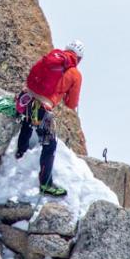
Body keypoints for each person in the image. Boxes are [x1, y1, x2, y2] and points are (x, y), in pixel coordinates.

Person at [15, 40, 84, 197]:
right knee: (50, 145)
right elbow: (71, 103)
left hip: (26, 98)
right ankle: (46, 184)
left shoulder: (52, 57)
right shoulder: (75, 74)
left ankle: (20, 154)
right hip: (42, 109)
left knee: (26, 124)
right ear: (79, 59)